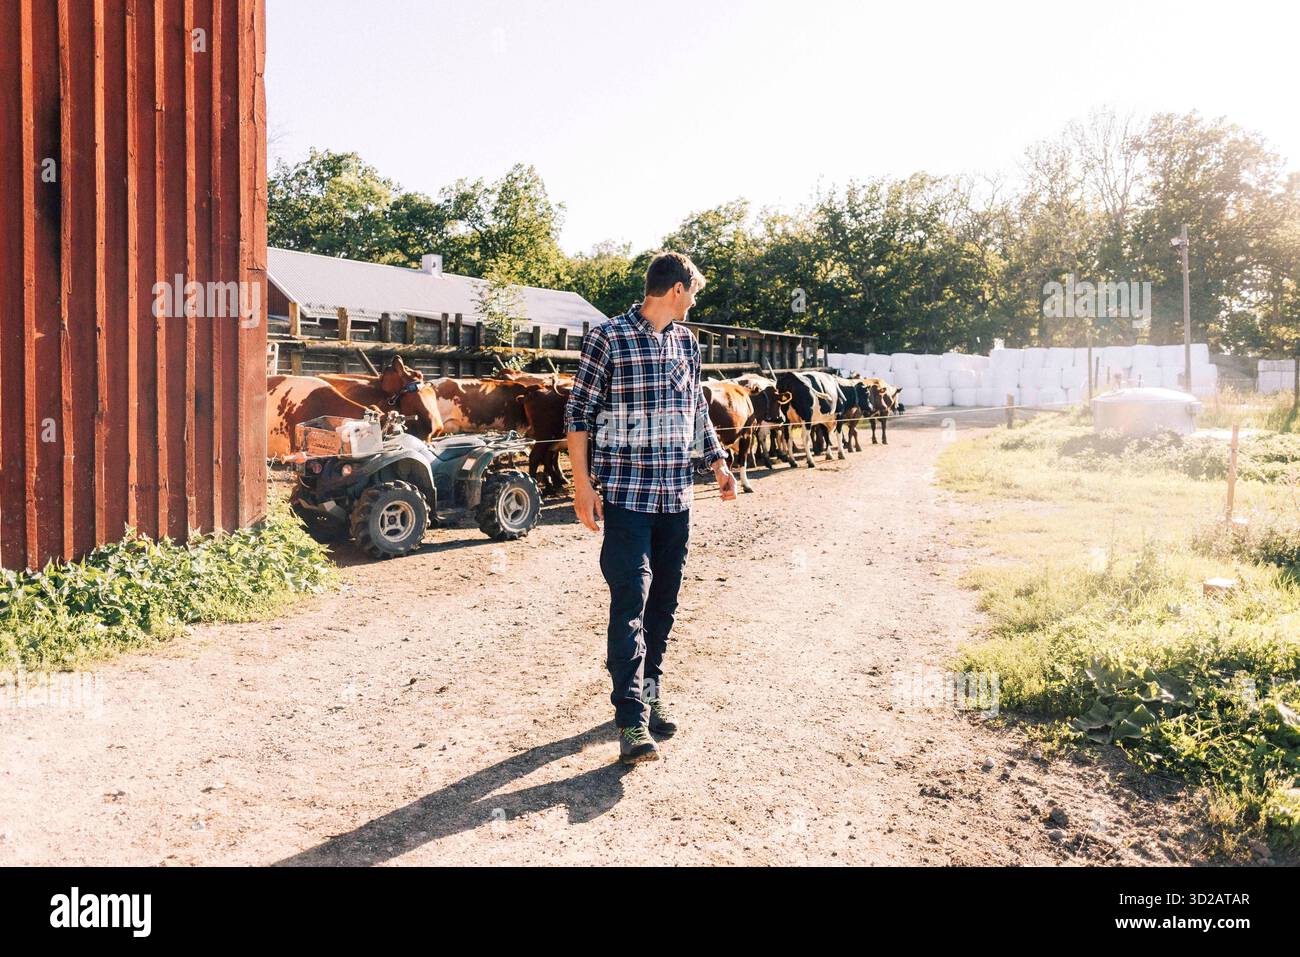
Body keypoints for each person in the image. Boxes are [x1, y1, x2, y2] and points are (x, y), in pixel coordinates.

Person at [563, 251, 736, 765]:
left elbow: (696, 410)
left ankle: (652, 688)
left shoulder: (687, 342)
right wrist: (581, 487)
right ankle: (631, 718)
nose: (694, 302)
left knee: (663, 600)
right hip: (626, 496)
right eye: (694, 292)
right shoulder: (609, 337)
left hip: (675, 498)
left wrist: (719, 463)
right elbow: (579, 416)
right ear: (678, 289)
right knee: (630, 599)